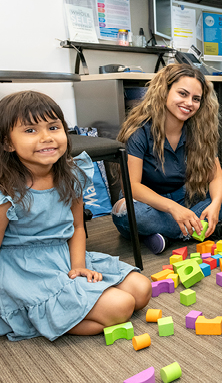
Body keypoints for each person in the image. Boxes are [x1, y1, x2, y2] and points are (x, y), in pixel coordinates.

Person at [0, 91, 152, 341]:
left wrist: (78, 266)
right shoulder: (6, 190)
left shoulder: (72, 174)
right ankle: (30, 316)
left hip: (64, 255)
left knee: (142, 289)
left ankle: (64, 310)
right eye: (30, 130)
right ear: (7, 143)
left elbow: (78, 229)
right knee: (121, 307)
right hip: (25, 270)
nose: (46, 137)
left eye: (53, 127)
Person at [112, 64, 222, 254]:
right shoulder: (139, 131)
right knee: (130, 214)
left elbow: (216, 178)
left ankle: (165, 234)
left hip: (184, 198)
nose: (189, 103)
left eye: (196, 99)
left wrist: (215, 205)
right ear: (165, 91)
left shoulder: (200, 132)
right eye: (183, 94)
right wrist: (173, 209)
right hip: (147, 204)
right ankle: (204, 229)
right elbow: (132, 187)